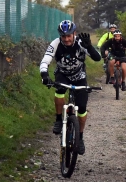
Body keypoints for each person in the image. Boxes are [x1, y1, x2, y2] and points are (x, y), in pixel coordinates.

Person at [39, 20, 101, 155]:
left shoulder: (80, 42)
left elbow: (97, 58)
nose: (66, 39)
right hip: (62, 74)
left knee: (82, 107)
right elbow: (45, 60)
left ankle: (81, 137)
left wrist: (89, 47)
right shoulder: (55, 44)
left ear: (74, 34)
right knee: (59, 90)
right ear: (60, 36)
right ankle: (58, 119)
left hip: (79, 76)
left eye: (69, 36)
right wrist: (44, 75)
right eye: (63, 36)